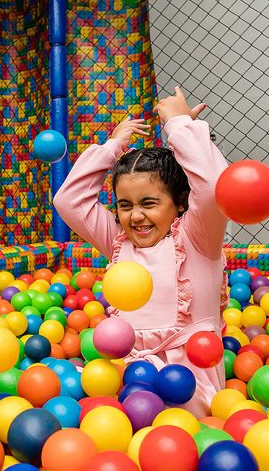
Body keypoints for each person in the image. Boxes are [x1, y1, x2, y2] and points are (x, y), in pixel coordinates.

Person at [53, 86, 229, 416]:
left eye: (149, 203)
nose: (135, 215)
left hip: (187, 378)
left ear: (179, 203)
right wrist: (113, 147)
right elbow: (68, 201)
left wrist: (180, 127)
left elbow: (211, 189)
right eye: (124, 205)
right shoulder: (118, 240)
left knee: (177, 428)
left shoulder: (197, 237)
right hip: (126, 371)